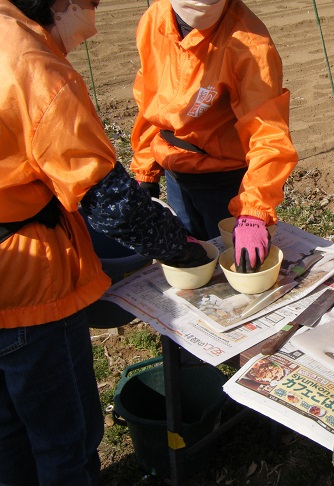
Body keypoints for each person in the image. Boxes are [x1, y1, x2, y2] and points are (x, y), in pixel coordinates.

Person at [0, 0, 211, 483]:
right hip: (25, 285)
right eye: (92, 3)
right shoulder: (34, 68)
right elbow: (107, 199)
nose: (96, 14)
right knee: (64, 440)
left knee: (8, 430)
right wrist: (180, 248)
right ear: (64, 3)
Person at [130, 0, 299, 273]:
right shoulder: (155, 20)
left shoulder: (249, 43)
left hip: (223, 183)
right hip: (175, 173)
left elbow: (268, 133)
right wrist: (145, 172)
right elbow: (150, 97)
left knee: (232, 267)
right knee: (192, 261)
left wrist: (253, 211)